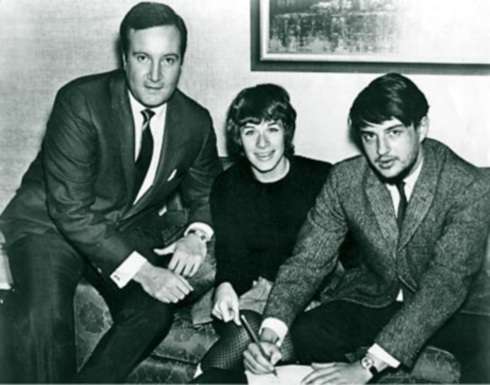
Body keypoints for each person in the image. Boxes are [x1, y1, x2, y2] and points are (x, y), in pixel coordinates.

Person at [0, 2, 221, 382]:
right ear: (124, 58)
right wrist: (146, 271)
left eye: (168, 60)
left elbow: (209, 194)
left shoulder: (194, 123)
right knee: (45, 317)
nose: (155, 75)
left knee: (152, 314)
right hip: (50, 226)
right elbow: (70, 210)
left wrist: (195, 234)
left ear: (181, 61)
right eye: (142, 58)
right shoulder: (80, 102)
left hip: (124, 230)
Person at [244, 73, 490, 384]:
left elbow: (444, 286)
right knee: (307, 332)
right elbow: (308, 261)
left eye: (394, 132)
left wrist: (365, 367)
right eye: (370, 136)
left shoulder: (468, 186)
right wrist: (270, 334)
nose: (381, 150)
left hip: (463, 311)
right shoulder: (345, 180)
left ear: (422, 127)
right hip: (379, 296)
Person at [193, 84, 334, 383]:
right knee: (250, 330)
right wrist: (225, 285)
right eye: (249, 131)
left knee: (279, 344)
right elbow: (229, 254)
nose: (261, 143)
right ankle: (205, 377)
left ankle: (206, 377)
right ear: (238, 139)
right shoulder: (227, 185)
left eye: (272, 129)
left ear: (287, 131)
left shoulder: (321, 178)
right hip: (247, 296)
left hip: (306, 298)